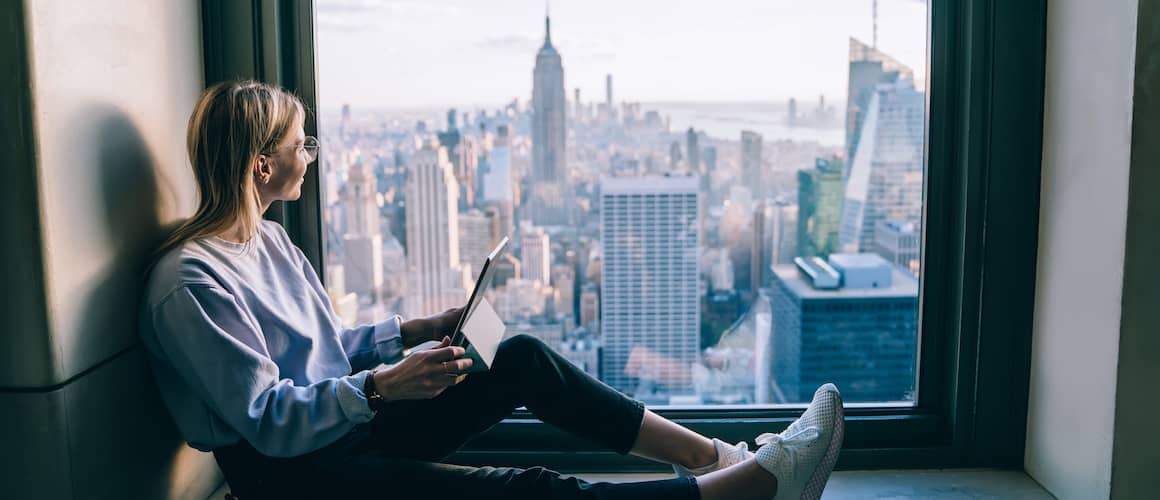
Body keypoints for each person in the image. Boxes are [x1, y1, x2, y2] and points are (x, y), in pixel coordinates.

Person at [139, 80, 844, 500]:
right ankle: (750, 492)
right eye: (303, 145)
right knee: (527, 490)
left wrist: (411, 333)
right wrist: (385, 388)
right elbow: (266, 417)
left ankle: (715, 457)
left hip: (343, 430)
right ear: (264, 164)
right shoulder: (192, 282)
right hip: (294, 478)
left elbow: (321, 350)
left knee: (520, 353)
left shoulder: (266, 237)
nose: (312, 156)